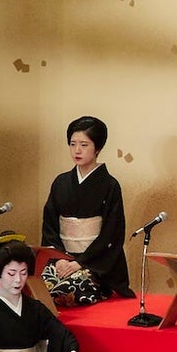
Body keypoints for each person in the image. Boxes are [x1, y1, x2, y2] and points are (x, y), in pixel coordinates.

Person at [40, 114, 132, 306]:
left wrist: (79, 263)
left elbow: (111, 234)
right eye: (73, 144)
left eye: (84, 144)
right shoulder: (61, 182)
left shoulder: (110, 185)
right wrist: (59, 259)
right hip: (62, 260)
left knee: (68, 290)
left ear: (97, 148)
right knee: (38, 286)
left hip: (95, 265)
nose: (77, 150)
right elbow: (50, 227)